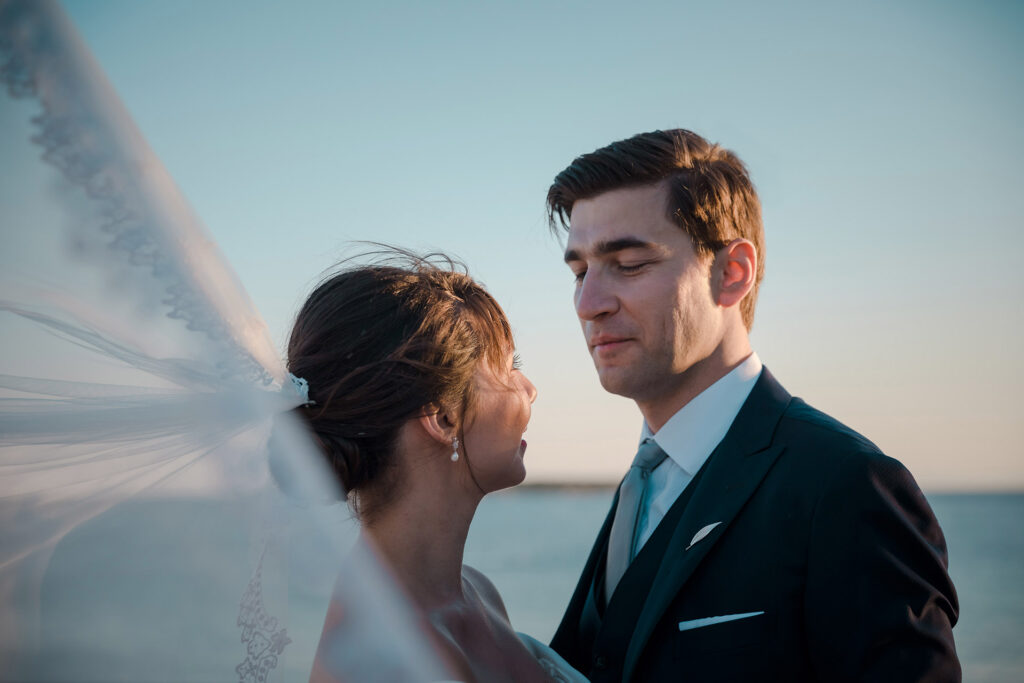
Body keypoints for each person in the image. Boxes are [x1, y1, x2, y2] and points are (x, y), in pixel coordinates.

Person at [546, 129, 960, 682]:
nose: (589, 305)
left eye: (629, 263)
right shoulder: (641, 483)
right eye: (579, 273)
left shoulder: (847, 485)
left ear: (732, 272)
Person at [286, 255, 583, 683]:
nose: (530, 389)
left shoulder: (478, 593)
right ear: (443, 418)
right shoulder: (381, 659)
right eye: (509, 368)